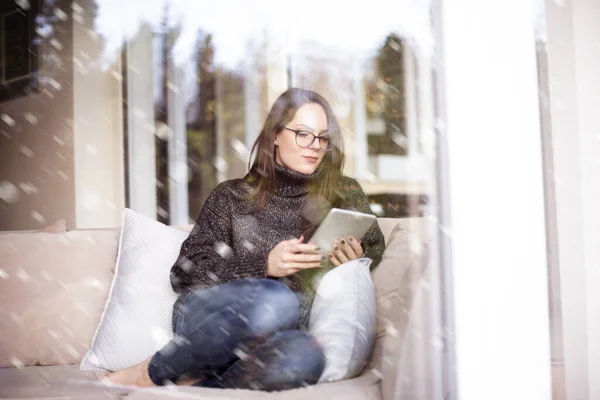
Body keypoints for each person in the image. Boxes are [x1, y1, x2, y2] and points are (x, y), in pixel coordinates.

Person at [104, 88, 385, 391]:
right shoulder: (232, 196)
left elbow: (374, 244)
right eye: (303, 134)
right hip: (214, 317)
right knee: (277, 301)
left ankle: (194, 384)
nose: (315, 146)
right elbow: (185, 273)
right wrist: (264, 264)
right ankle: (151, 372)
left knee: (305, 356)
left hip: (272, 340)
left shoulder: (344, 193)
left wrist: (355, 259)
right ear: (275, 135)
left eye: (322, 137)